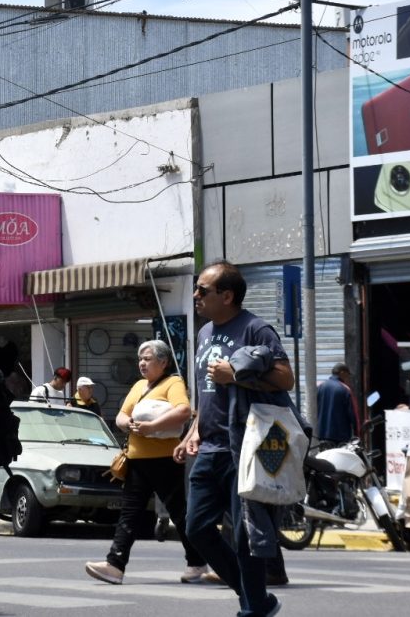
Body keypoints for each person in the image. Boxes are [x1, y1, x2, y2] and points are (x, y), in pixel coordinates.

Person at [174, 261, 293, 617]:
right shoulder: (205, 332)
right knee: (196, 528)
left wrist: (236, 376)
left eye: (202, 290)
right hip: (209, 446)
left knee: (245, 536)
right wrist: (193, 430)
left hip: (246, 447)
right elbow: (207, 391)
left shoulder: (256, 329)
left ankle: (254, 608)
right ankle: (255, 599)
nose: (196, 295)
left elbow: (285, 378)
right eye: (197, 289)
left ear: (227, 296)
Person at [85, 340, 207, 585]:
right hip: (137, 461)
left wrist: (151, 426)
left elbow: (183, 411)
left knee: (180, 513)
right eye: (140, 358)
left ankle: (197, 563)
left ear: (163, 362)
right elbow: (121, 415)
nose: (141, 363)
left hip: (164, 460)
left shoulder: (173, 383)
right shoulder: (139, 386)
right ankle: (115, 565)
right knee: (128, 514)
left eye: (147, 358)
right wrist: (127, 424)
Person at [315, 363, 359, 446]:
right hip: (340, 437)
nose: (348, 379)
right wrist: (357, 434)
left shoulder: (320, 387)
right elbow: (354, 415)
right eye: (347, 376)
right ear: (342, 373)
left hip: (322, 435)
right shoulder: (345, 389)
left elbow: (314, 409)